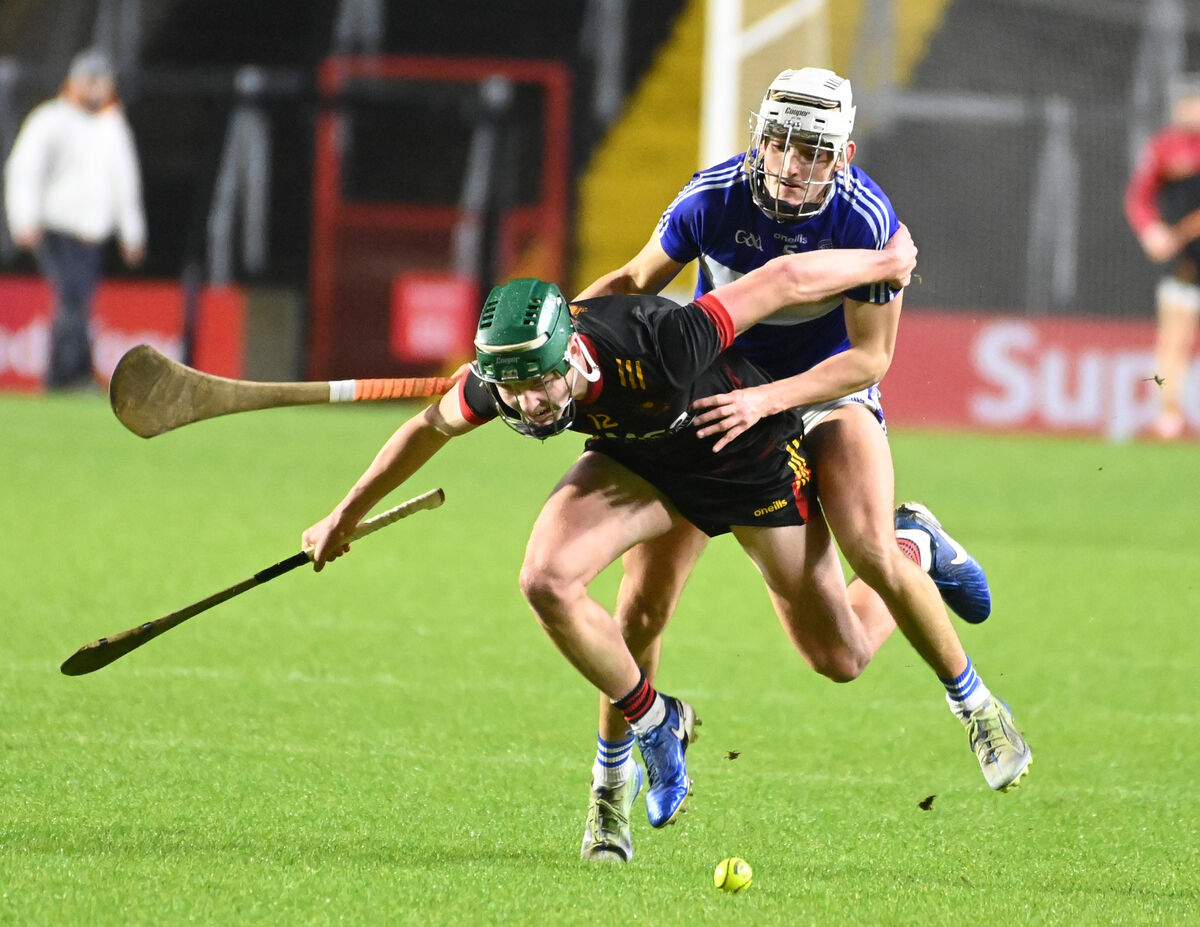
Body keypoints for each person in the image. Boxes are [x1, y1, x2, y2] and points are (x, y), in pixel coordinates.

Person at [304, 234, 1029, 861]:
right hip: (645, 465)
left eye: (538, 383)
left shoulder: (659, 339)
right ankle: (630, 761)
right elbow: (426, 429)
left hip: (741, 452)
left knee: (841, 655)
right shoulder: (508, 379)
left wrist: (884, 260)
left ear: (570, 353)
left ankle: (912, 545)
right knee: (556, 584)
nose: (528, 403)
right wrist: (342, 515)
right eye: (513, 388)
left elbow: (779, 282)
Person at [573, 67, 1028, 861]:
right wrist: (553, 347)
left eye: (812, 151)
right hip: (711, 397)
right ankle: (608, 791)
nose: (789, 164)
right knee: (642, 613)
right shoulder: (713, 195)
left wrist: (769, 400)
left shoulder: (868, 219)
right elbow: (632, 286)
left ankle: (976, 704)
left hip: (819, 395)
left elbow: (869, 361)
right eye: (778, 141)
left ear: (843, 155)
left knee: (868, 552)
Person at [4, 48, 146, 391]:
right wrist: (23, 218)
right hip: (56, 228)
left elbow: (124, 181)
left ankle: (70, 375)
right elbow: (24, 171)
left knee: (80, 302)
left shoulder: (111, 125)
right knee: (71, 301)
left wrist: (132, 231)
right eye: (91, 80)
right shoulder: (50, 119)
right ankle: (66, 376)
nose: (98, 88)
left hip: (92, 233)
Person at [1124, 74, 1200, 440]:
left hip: (1187, 246)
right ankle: (1169, 417)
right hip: (1186, 260)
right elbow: (1139, 196)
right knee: (1174, 337)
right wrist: (1151, 231)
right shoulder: (1165, 148)